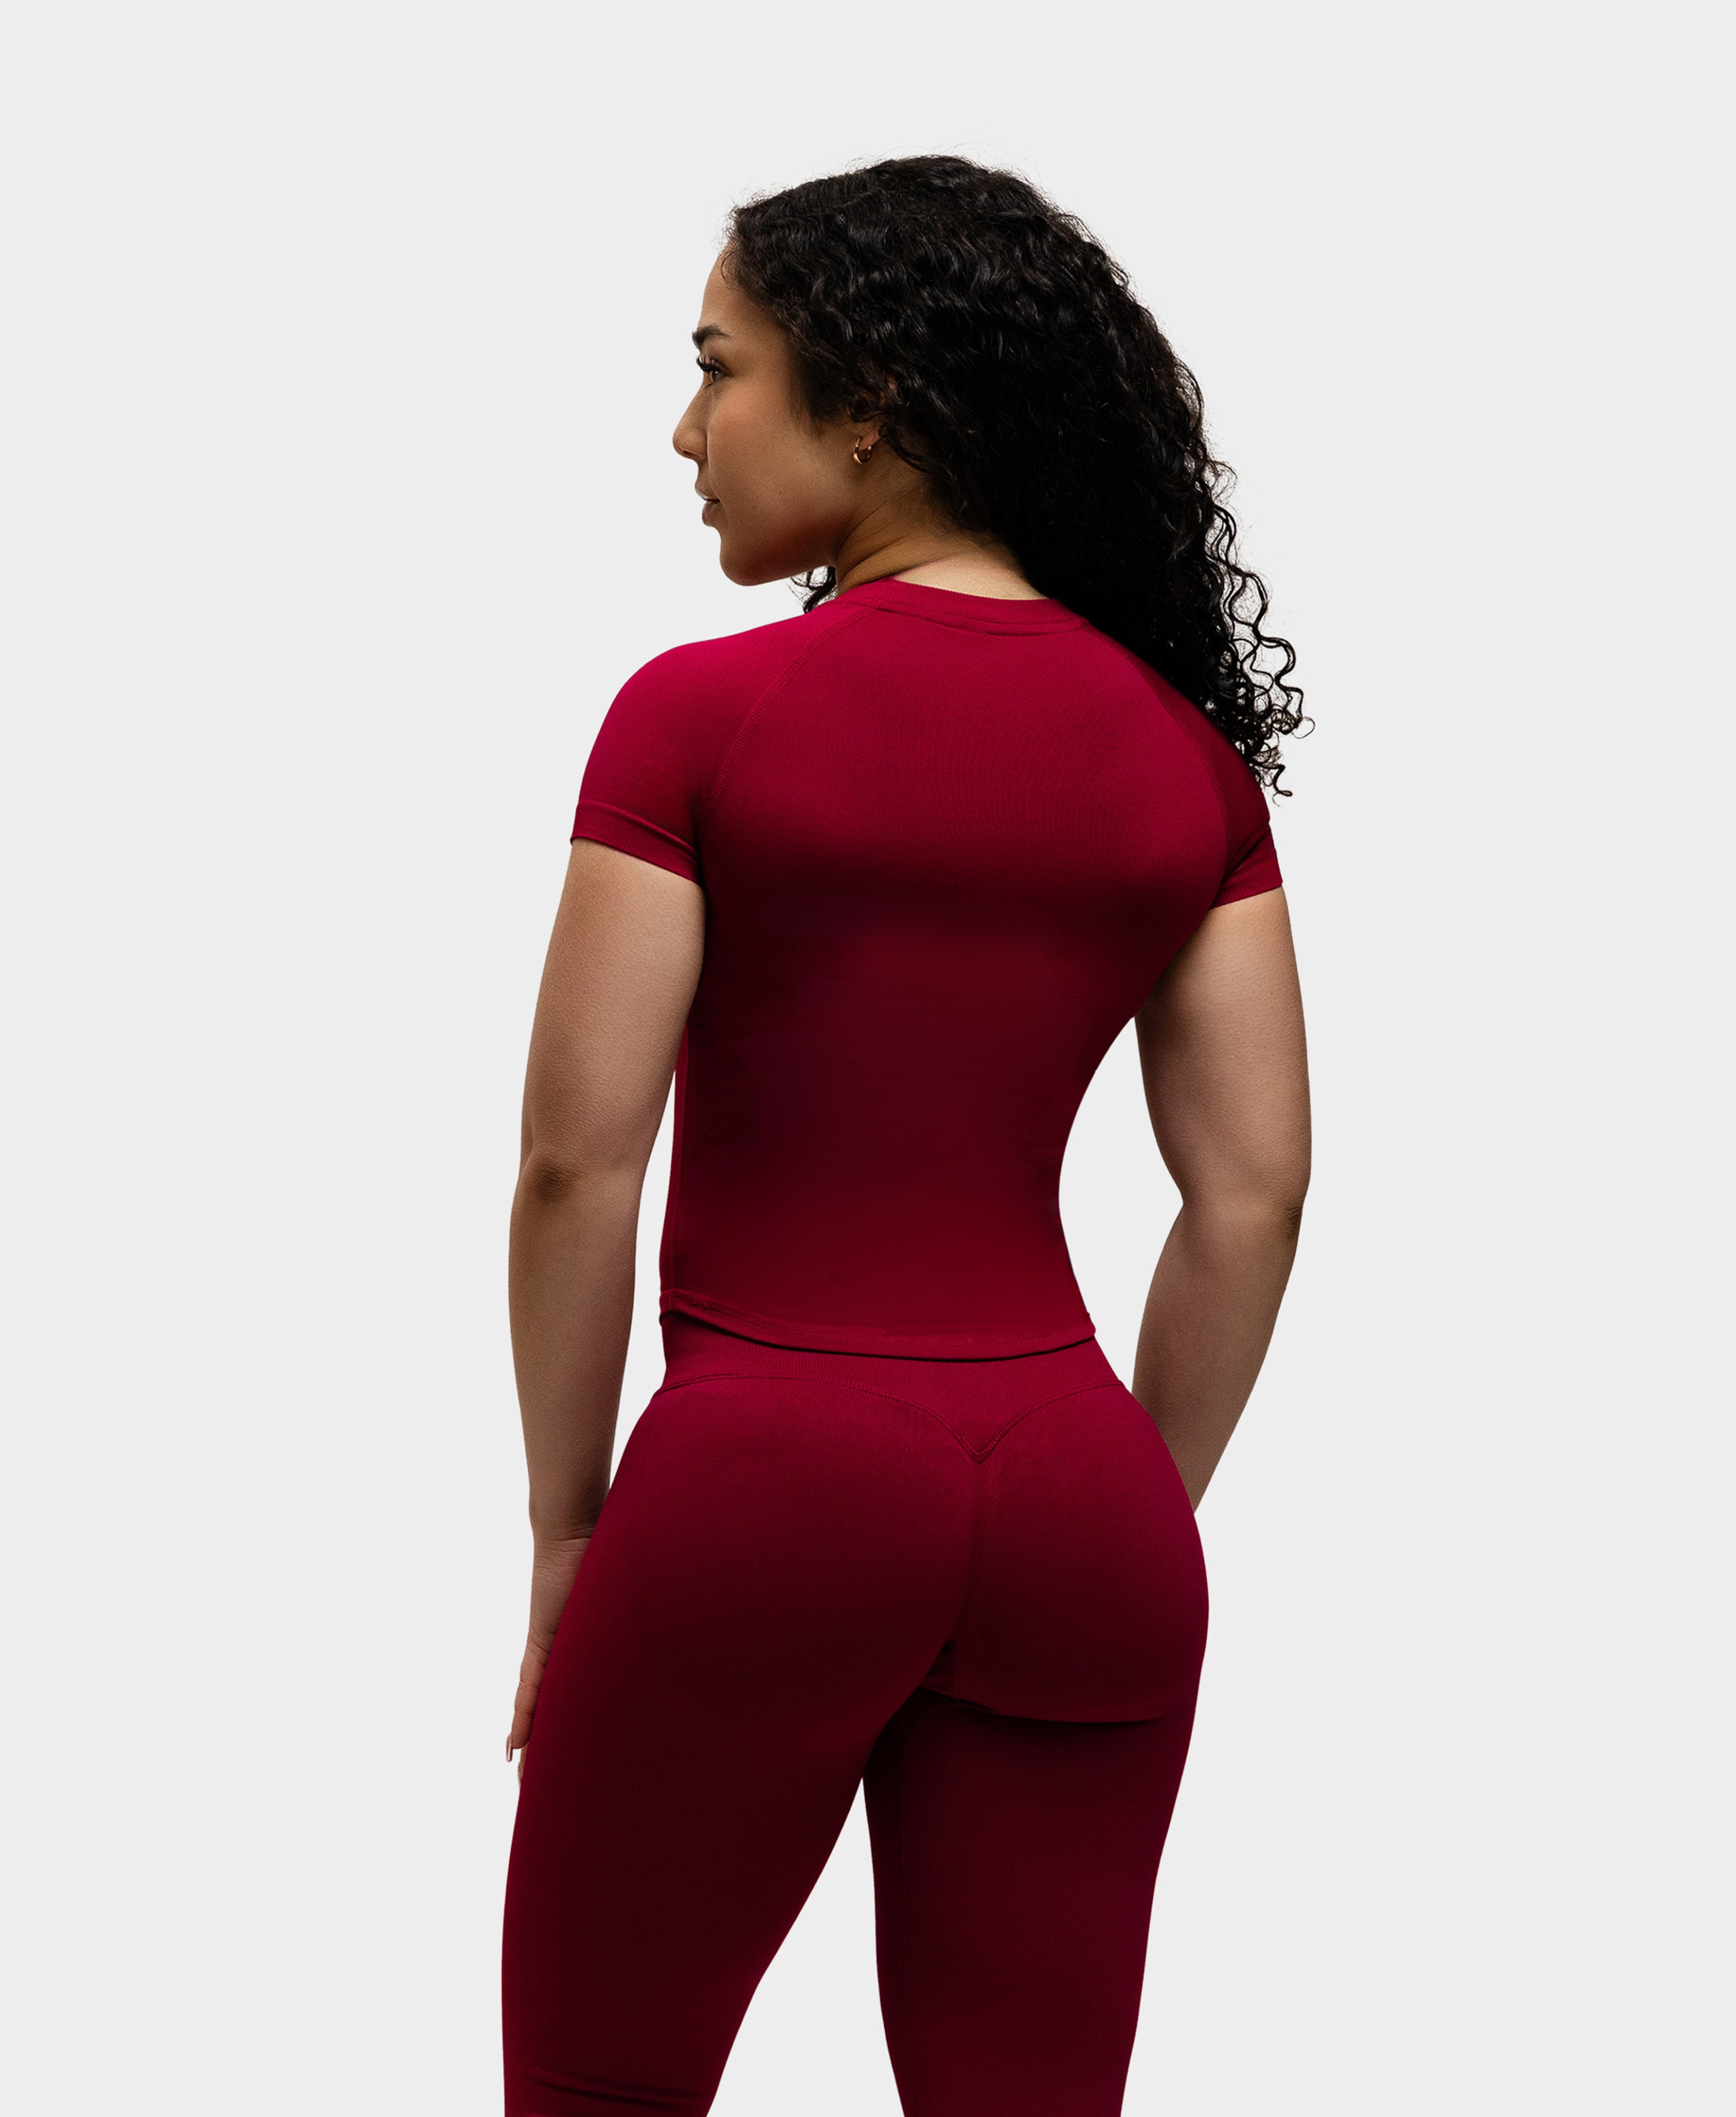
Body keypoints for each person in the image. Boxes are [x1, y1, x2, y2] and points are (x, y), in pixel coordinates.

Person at [499, 155, 1311, 2116]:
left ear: (866, 403)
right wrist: (1124, 1511)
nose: (686, 431)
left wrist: (569, 1533)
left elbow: (577, 1165)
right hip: (1079, 1497)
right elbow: (1253, 1190)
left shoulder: (699, 718)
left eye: (721, 369)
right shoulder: (1188, 763)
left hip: (763, 1480)